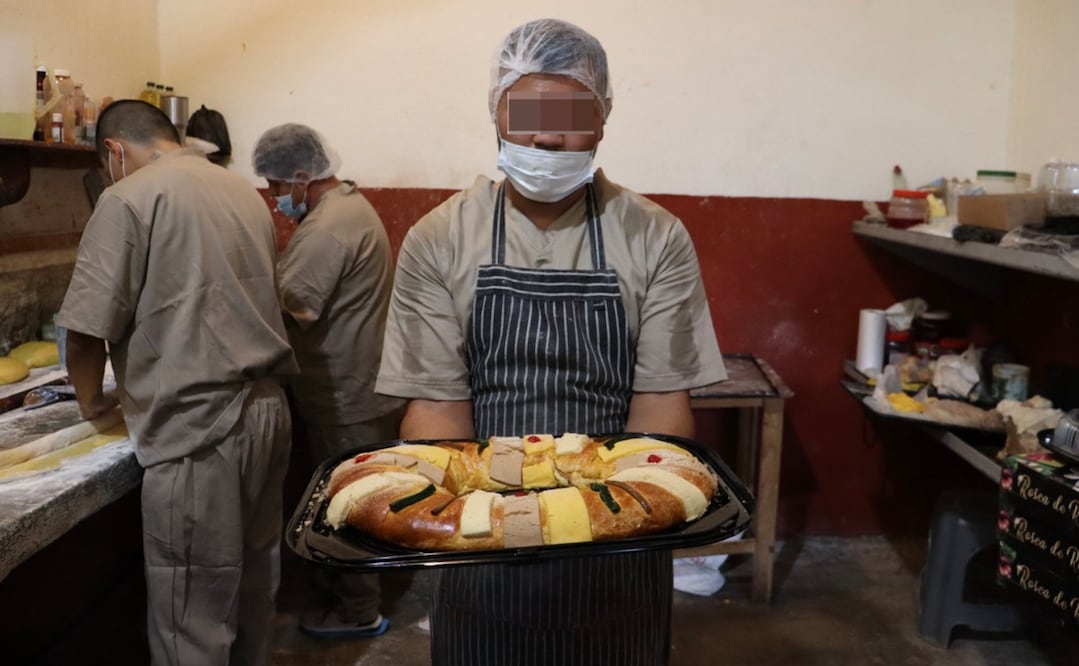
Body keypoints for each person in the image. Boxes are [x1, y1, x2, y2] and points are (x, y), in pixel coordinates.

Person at [375, 18, 726, 666]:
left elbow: (659, 410)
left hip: (614, 544)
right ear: (495, 112)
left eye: (569, 115)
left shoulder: (654, 236)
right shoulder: (439, 238)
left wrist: (616, 518)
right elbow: (435, 411)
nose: (544, 135)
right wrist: (466, 525)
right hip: (480, 544)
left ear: (602, 119)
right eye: (527, 113)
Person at [56, 99, 298, 665]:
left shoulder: (127, 198)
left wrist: (93, 403)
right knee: (255, 587)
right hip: (269, 411)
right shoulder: (241, 191)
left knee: (192, 612)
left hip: (199, 428)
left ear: (114, 151)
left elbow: (87, 330)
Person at [252, 124, 404, 639]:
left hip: (343, 393)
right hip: (364, 383)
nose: (274, 199)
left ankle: (357, 613)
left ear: (301, 176)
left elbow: (294, 306)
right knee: (365, 500)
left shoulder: (326, 228)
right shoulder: (349, 206)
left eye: (275, 187)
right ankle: (361, 598)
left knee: (347, 509)